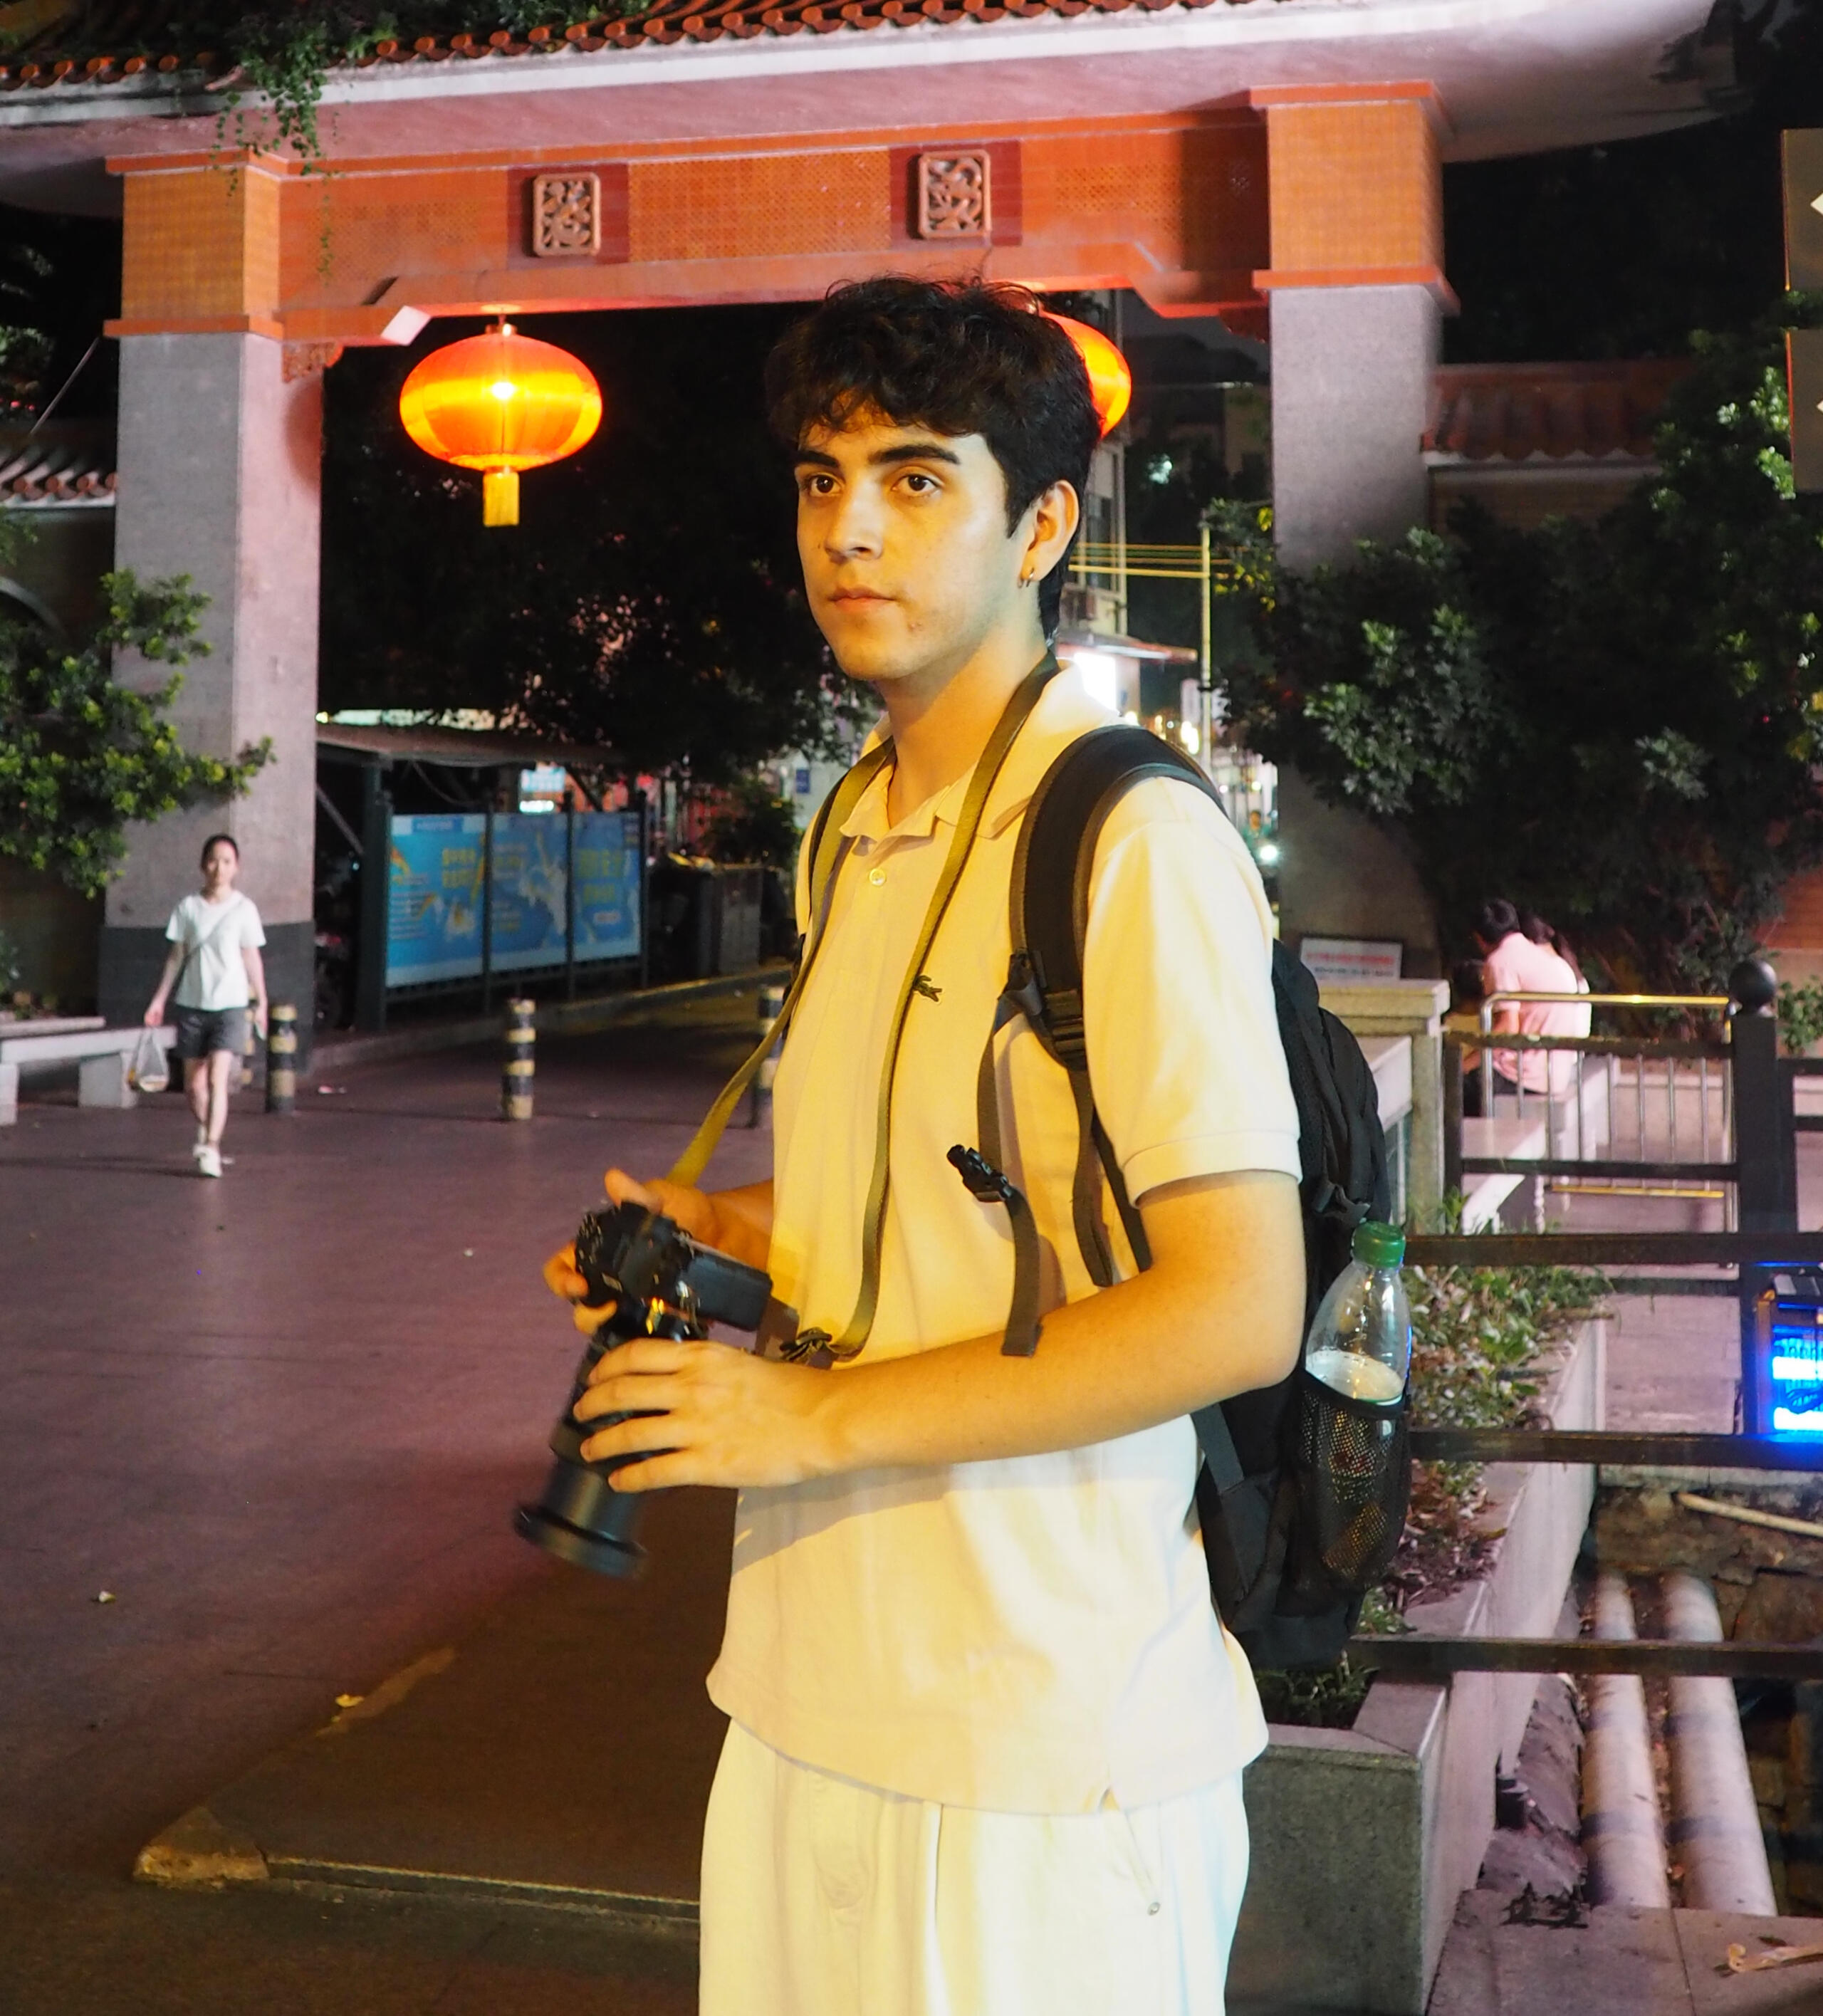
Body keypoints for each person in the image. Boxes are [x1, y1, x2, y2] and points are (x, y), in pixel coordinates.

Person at [545, 278, 1305, 2016]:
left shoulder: (1125, 835)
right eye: (819, 481)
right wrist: (725, 1227)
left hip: (1043, 1746)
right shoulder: (853, 823)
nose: (848, 530)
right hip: (802, 1695)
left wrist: (803, 1417)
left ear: (1039, 525)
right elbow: (931, 1200)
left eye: (911, 478)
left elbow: (1235, 1303)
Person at [143, 833, 268, 1178]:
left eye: (227, 861)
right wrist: (159, 999)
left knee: (217, 1079)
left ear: (236, 867)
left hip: (231, 1005)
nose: (219, 868)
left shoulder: (244, 909)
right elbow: (176, 957)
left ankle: (212, 1146)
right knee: (193, 1086)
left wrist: (261, 1001)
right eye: (213, 860)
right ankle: (207, 1129)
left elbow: (252, 957)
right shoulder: (188, 908)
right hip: (192, 1004)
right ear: (203, 865)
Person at [1471, 898, 1585, 1104]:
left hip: (1524, 1075)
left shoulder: (1500, 961)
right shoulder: (1539, 954)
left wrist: (1465, 1064)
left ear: (1479, 938)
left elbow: (1507, 1029)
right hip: (1555, 1074)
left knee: (1455, 1084)